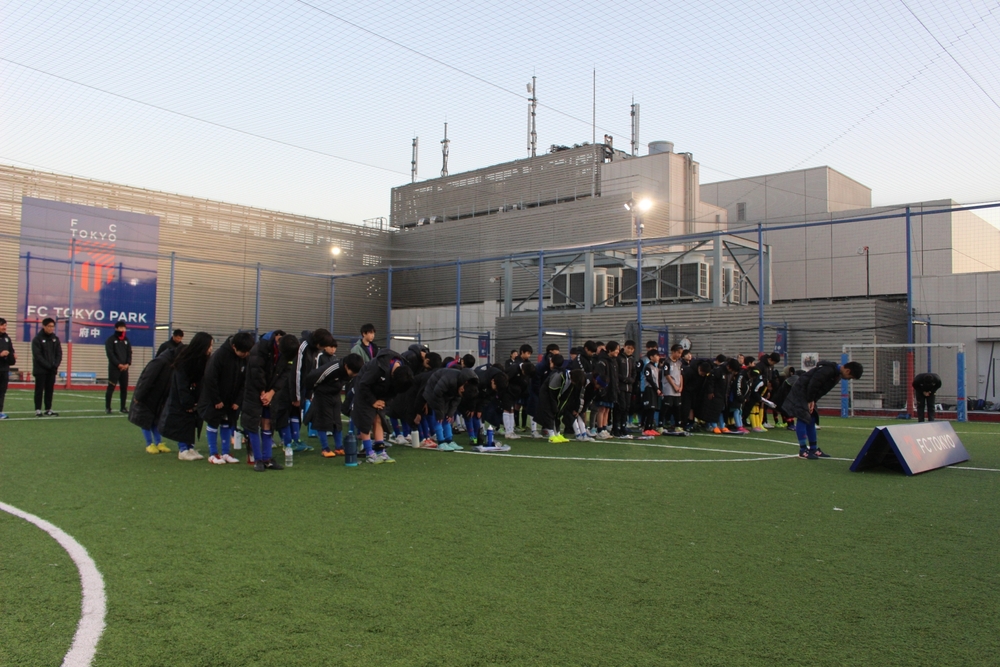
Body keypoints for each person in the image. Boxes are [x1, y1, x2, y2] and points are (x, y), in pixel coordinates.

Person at [781, 360, 863, 459]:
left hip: (809, 395)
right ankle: (803, 450)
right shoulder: (827, 370)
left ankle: (813, 449)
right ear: (848, 371)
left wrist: (813, 400)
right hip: (801, 392)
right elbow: (813, 384)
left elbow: (821, 390)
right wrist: (810, 399)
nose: (849, 379)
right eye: (851, 377)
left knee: (812, 419)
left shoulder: (836, 375)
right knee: (803, 418)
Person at [241, 331, 298, 471]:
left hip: (271, 392)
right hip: (254, 389)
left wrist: (271, 393)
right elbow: (256, 371)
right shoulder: (260, 348)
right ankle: (257, 459)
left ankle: (267, 458)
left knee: (268, 422)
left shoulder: (289, 350)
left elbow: (285, 373)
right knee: (254, 422)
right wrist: (262, 392)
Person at [198, 332, 254, 464]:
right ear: (234, 347)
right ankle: (213, 454)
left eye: (248, 352)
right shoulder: (220, 356)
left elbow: (245, 381)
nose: (246, 354)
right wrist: (216, 400)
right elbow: (210, 378)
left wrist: (238, 401)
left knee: (227, 423)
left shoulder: (245, 358)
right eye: (243, 352)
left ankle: (225, 453)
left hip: (232, 400)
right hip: (215, 399)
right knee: (213, 423)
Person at [159, 332, 214, 460]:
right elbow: (181, 383)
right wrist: (187, 402)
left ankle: (190, 447)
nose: (211, 349)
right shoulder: (184, 359)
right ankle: (183, 449)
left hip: (194, 396)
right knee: (182, 421)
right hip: (181, 398)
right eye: (209, 345)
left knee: (192, 421)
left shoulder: (204, 359)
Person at [353, 348, 414, 463]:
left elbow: (394, 392)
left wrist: (384, 401)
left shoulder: (404, 372)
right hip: (364, 390)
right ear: (393, 375)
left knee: (379, 419)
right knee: (366, 420)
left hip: (381, 393)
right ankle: (369, 453)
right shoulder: (377, 366)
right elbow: (363, 384)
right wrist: (373, 401)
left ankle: (380, 451)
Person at [304, 353, 364, 457]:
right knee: (322, 421)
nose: (354, 375)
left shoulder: (352, 371)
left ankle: (339, 447)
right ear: (346, 366)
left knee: (337, 421)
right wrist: (310, 393)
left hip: (335, 395)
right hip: (322, 395)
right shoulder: (332, 368)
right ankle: (325, 449)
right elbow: (311, 379)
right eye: (353, 372)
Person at [128, 345, 178, 454]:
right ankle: (149, 444)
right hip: (147, 396)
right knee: (145, 420)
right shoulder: (159, 362)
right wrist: (139, 396)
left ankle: (159, 442)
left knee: (156, 420)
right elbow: (146, 379)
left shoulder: (171, 364)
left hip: (158, 397)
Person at [31, 317, 62, 417]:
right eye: (49, 326)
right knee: (39, 390)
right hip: (40, 370)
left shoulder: (55, 339)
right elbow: (38, 356)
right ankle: (38, 410)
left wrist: (55, 365)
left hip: (51, 370)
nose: (51, 328)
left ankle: (48, 409)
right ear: (44, 326)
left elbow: (59, 353)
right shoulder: (37, 339)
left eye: (52, 326)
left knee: (49, 390)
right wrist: (48, 365)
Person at [104, 320, 133, 414]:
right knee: (111, 387)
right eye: (120, 328)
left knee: (124, 388)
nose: (122, 330)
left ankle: (123, 407)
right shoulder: (111, 340)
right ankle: (108, 407)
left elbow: (129, 353)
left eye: (124, 328)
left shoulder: (126, 340)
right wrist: (118, 364)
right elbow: (110, 354)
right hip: (114, 368)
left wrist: (127, 363)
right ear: (116, 328)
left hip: (125, 368)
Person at [660, 344, 684, 432]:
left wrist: (681, 386)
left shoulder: (679, 363)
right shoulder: (667, 362)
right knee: (666, 407)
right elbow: (667, 375)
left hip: (678, 389)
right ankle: (660, 425)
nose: (679, 355)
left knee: (677, 407)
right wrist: (674, 386)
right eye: (678, 352)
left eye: (681, 353)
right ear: (673, 352)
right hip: (669, 388)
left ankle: (678, 425)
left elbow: (681, 375)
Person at [0, 317, 15, 419]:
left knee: (2, 391)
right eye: (2, 325)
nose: (4, 327)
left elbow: (11, 350)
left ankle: (0, 411)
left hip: (4, 369)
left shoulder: (7, 338)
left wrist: (12, 356)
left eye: (5, 325)